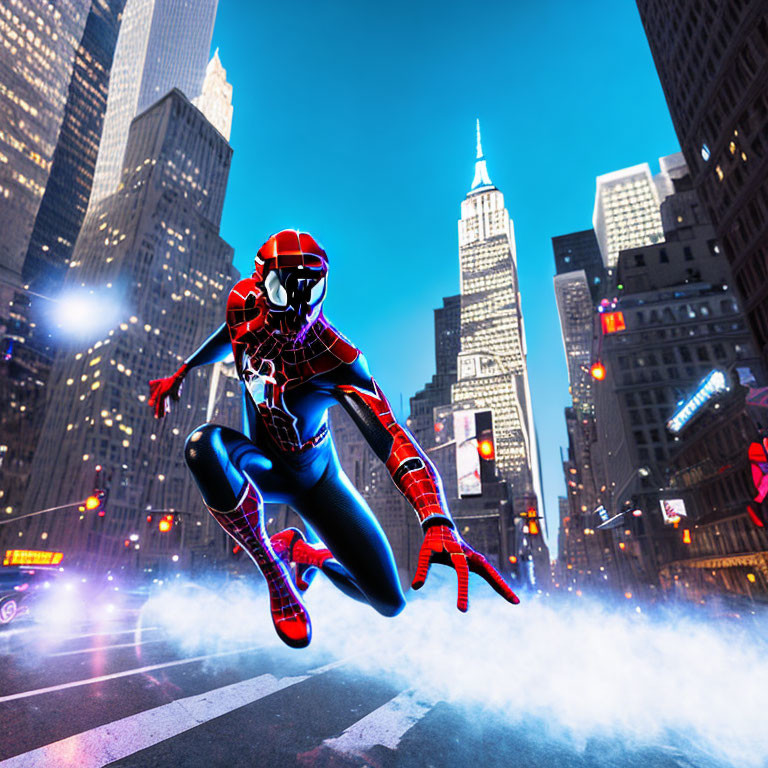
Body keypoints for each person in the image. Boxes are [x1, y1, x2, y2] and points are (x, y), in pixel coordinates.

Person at [148, 229, 518, 648]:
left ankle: (306, 554)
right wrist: (183, 370)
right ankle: (276, 575)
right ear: (261, 284)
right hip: (259, 465)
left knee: (389, 602)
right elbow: (229, 335)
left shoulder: (337, 359)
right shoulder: (242, 306)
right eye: (284, 290)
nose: (299, 309)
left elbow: (390, 434)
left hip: (317, 479)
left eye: (313, 289)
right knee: (202, 446)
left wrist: (435, 517)